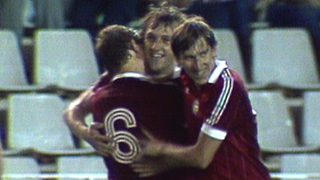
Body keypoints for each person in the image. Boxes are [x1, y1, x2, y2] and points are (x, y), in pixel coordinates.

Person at [132, 18, 271, 180]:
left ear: (214, 50)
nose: (198, 65)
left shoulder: (227, 87)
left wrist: (161, 152)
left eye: (203, 54)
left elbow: (201, 158)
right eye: (190, 57)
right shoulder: (184, 79)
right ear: (178, 59)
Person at [64, 2, 188, 157]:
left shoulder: (188, 82)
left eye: (166, 40)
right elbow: (74, 109)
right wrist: (86, 133)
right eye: (151, 38)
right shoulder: (116, 79)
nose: (156, 46)